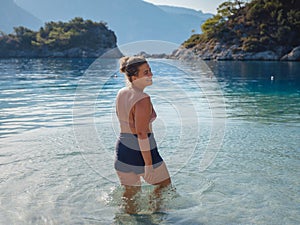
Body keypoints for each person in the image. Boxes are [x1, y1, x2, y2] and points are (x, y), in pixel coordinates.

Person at [114, 55, 172, 214]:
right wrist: (148, 165)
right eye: (146, 72)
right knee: (164, 186)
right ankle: (156, 217)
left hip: (123, 148)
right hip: (142, 149)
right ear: (134, 77)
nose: (151, 75)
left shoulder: (122, 92)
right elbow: (141, 133)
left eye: (150, 71)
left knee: (130, 194)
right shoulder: (142, 99)